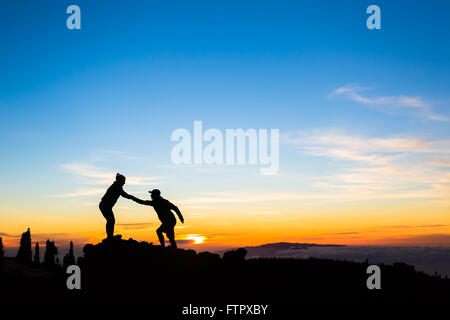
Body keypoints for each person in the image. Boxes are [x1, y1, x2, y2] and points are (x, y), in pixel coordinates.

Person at [99, 173, 133, 239]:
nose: (124, 183)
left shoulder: (117, 185)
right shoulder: (117, 186)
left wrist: (131, 197)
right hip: (104, 205)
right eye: (124, 181)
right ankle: (109, 237)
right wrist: (133, 198)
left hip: (106, 206)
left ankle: (110, 236)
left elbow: (125, 195)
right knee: (111, 220)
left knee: (111, 220)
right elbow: (125, 195)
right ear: (120, 181)